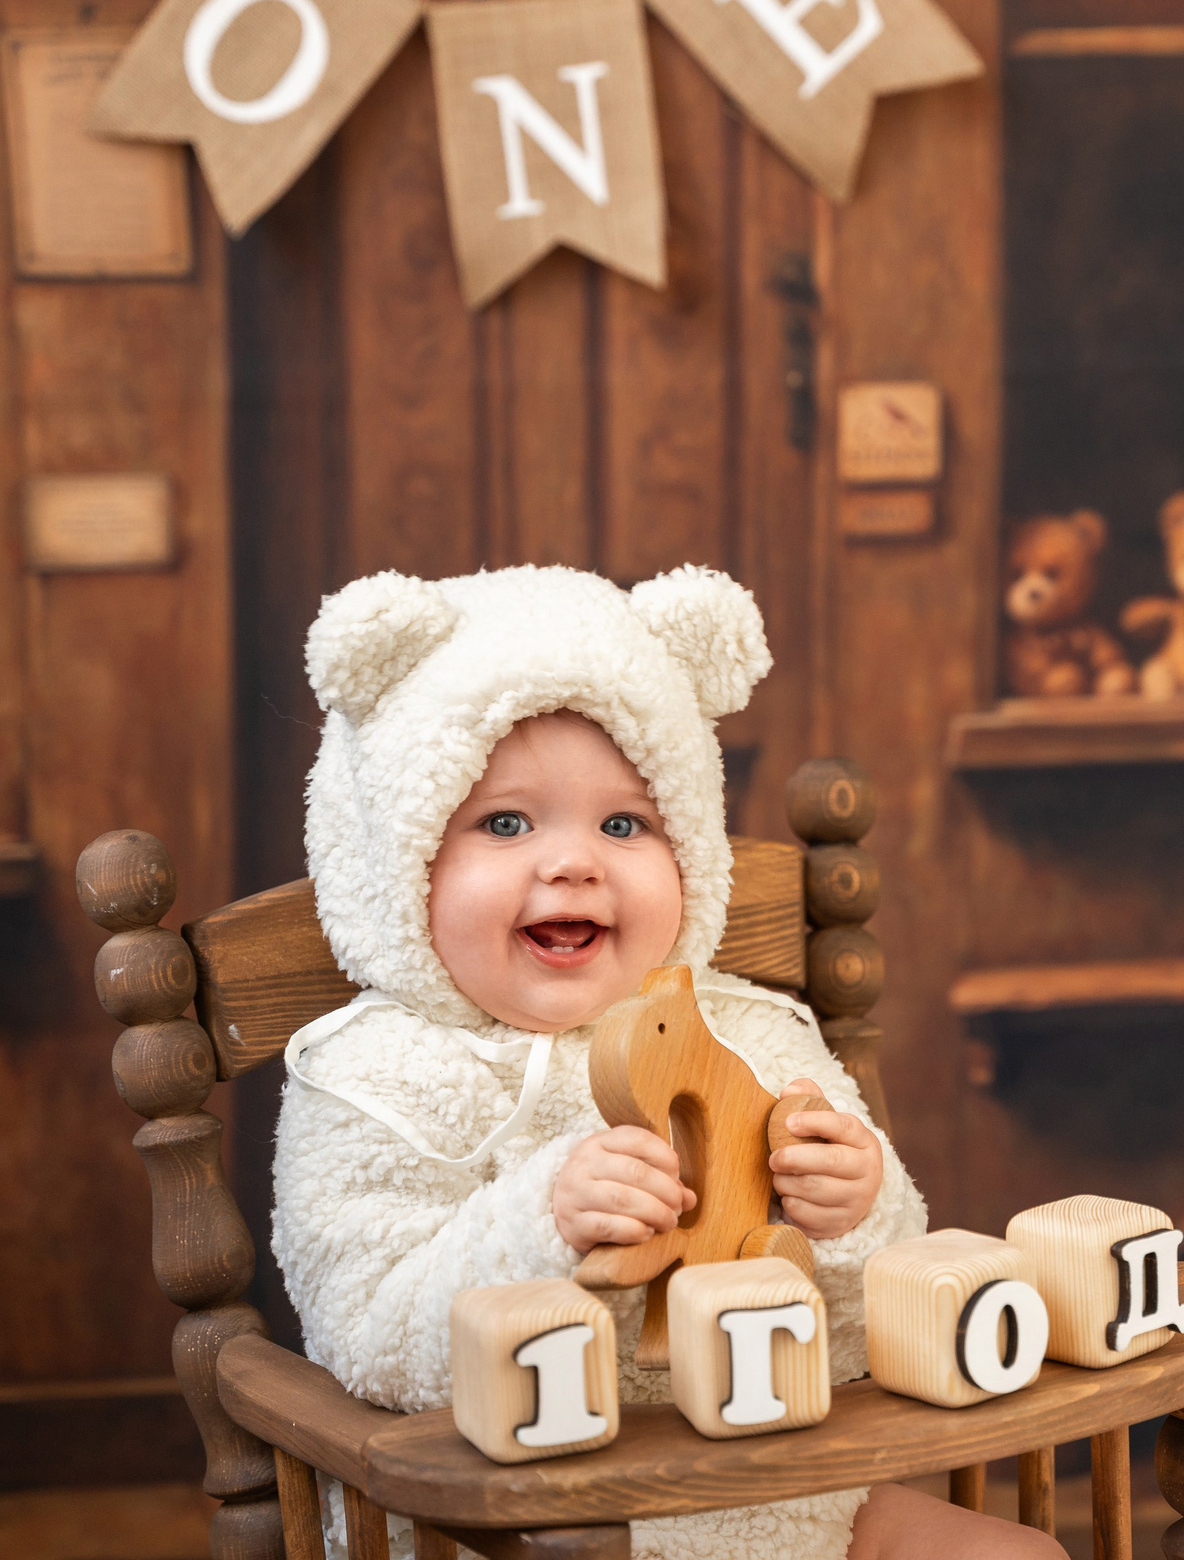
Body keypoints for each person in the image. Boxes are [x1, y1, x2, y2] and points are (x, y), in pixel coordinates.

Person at [272, 565, 1061, 1560]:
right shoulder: (373, 1073)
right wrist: (539, 1218)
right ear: (396, 859)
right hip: (509, 1521)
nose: (574, 862)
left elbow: (867, 1322)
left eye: (625, 823)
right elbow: (369, 1338)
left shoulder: (750, 1034)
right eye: (505, 822)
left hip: (779, 1498)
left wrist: (849, 1206)